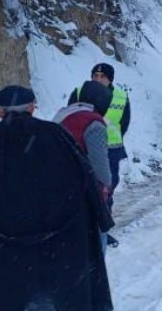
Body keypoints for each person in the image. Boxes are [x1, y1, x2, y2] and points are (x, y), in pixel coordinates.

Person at [0, 85, 114, 311]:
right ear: (31, 107)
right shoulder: (57, 135)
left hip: (3, 252)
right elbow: (85, 178)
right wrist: (101, 216)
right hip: (61, 248)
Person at [69, 63, 130, 247]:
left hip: (110, 150)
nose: (98, 79)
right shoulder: (79, 92)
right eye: (95, 75)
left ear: (110, 79)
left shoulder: (120, 97)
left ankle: (103, 227)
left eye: (103, 76)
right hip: (82, 149)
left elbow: (124, 123)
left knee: (106, 190)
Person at [54, 80, 113, 253]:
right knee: (96, 238)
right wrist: (105, 187)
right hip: (84, 188)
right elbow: (99, 165)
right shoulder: (93, 122)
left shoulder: (63, 115)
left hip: (60, 187)